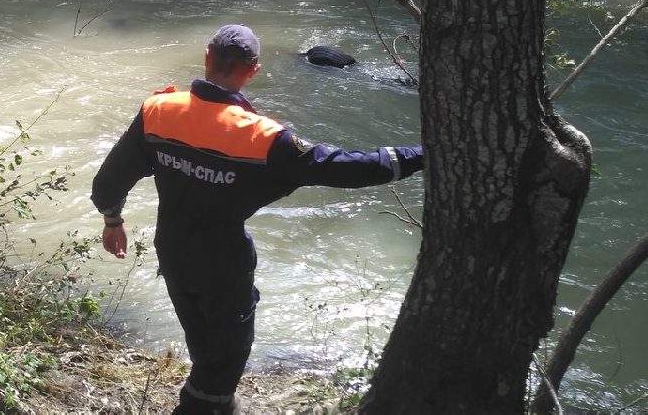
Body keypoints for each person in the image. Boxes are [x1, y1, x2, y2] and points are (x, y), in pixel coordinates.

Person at [91, 24, 423, 414]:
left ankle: (217, 401)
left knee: (202, 340)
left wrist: (113, 221)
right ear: (252, 71)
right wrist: (423, 152)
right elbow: (348, 168)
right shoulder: (266, 139)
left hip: (173, 249)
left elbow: (107, 183)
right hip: (223, 263)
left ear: (208, 59)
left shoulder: (159, 111)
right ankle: (203, 405)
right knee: (227, 356)